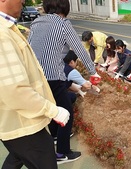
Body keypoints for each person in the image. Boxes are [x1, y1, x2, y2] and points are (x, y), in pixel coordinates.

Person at [28, 0, 100, 164]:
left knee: (53, 108)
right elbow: (80, 49)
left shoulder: (36, 22)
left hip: (37, 77)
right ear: (65, 7)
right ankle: (62, 153)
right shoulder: (63, 24)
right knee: (66, 112)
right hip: (53, 75)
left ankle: (54, 136)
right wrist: (93, 72)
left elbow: (29, 48)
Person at [0, 0, 70, 168]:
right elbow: (14, 89)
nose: (24, 1)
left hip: (18, 119)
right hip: (23, 121)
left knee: (16, 157)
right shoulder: (2, 34)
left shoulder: (10, 27)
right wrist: (53, 110)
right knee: (44, 160)